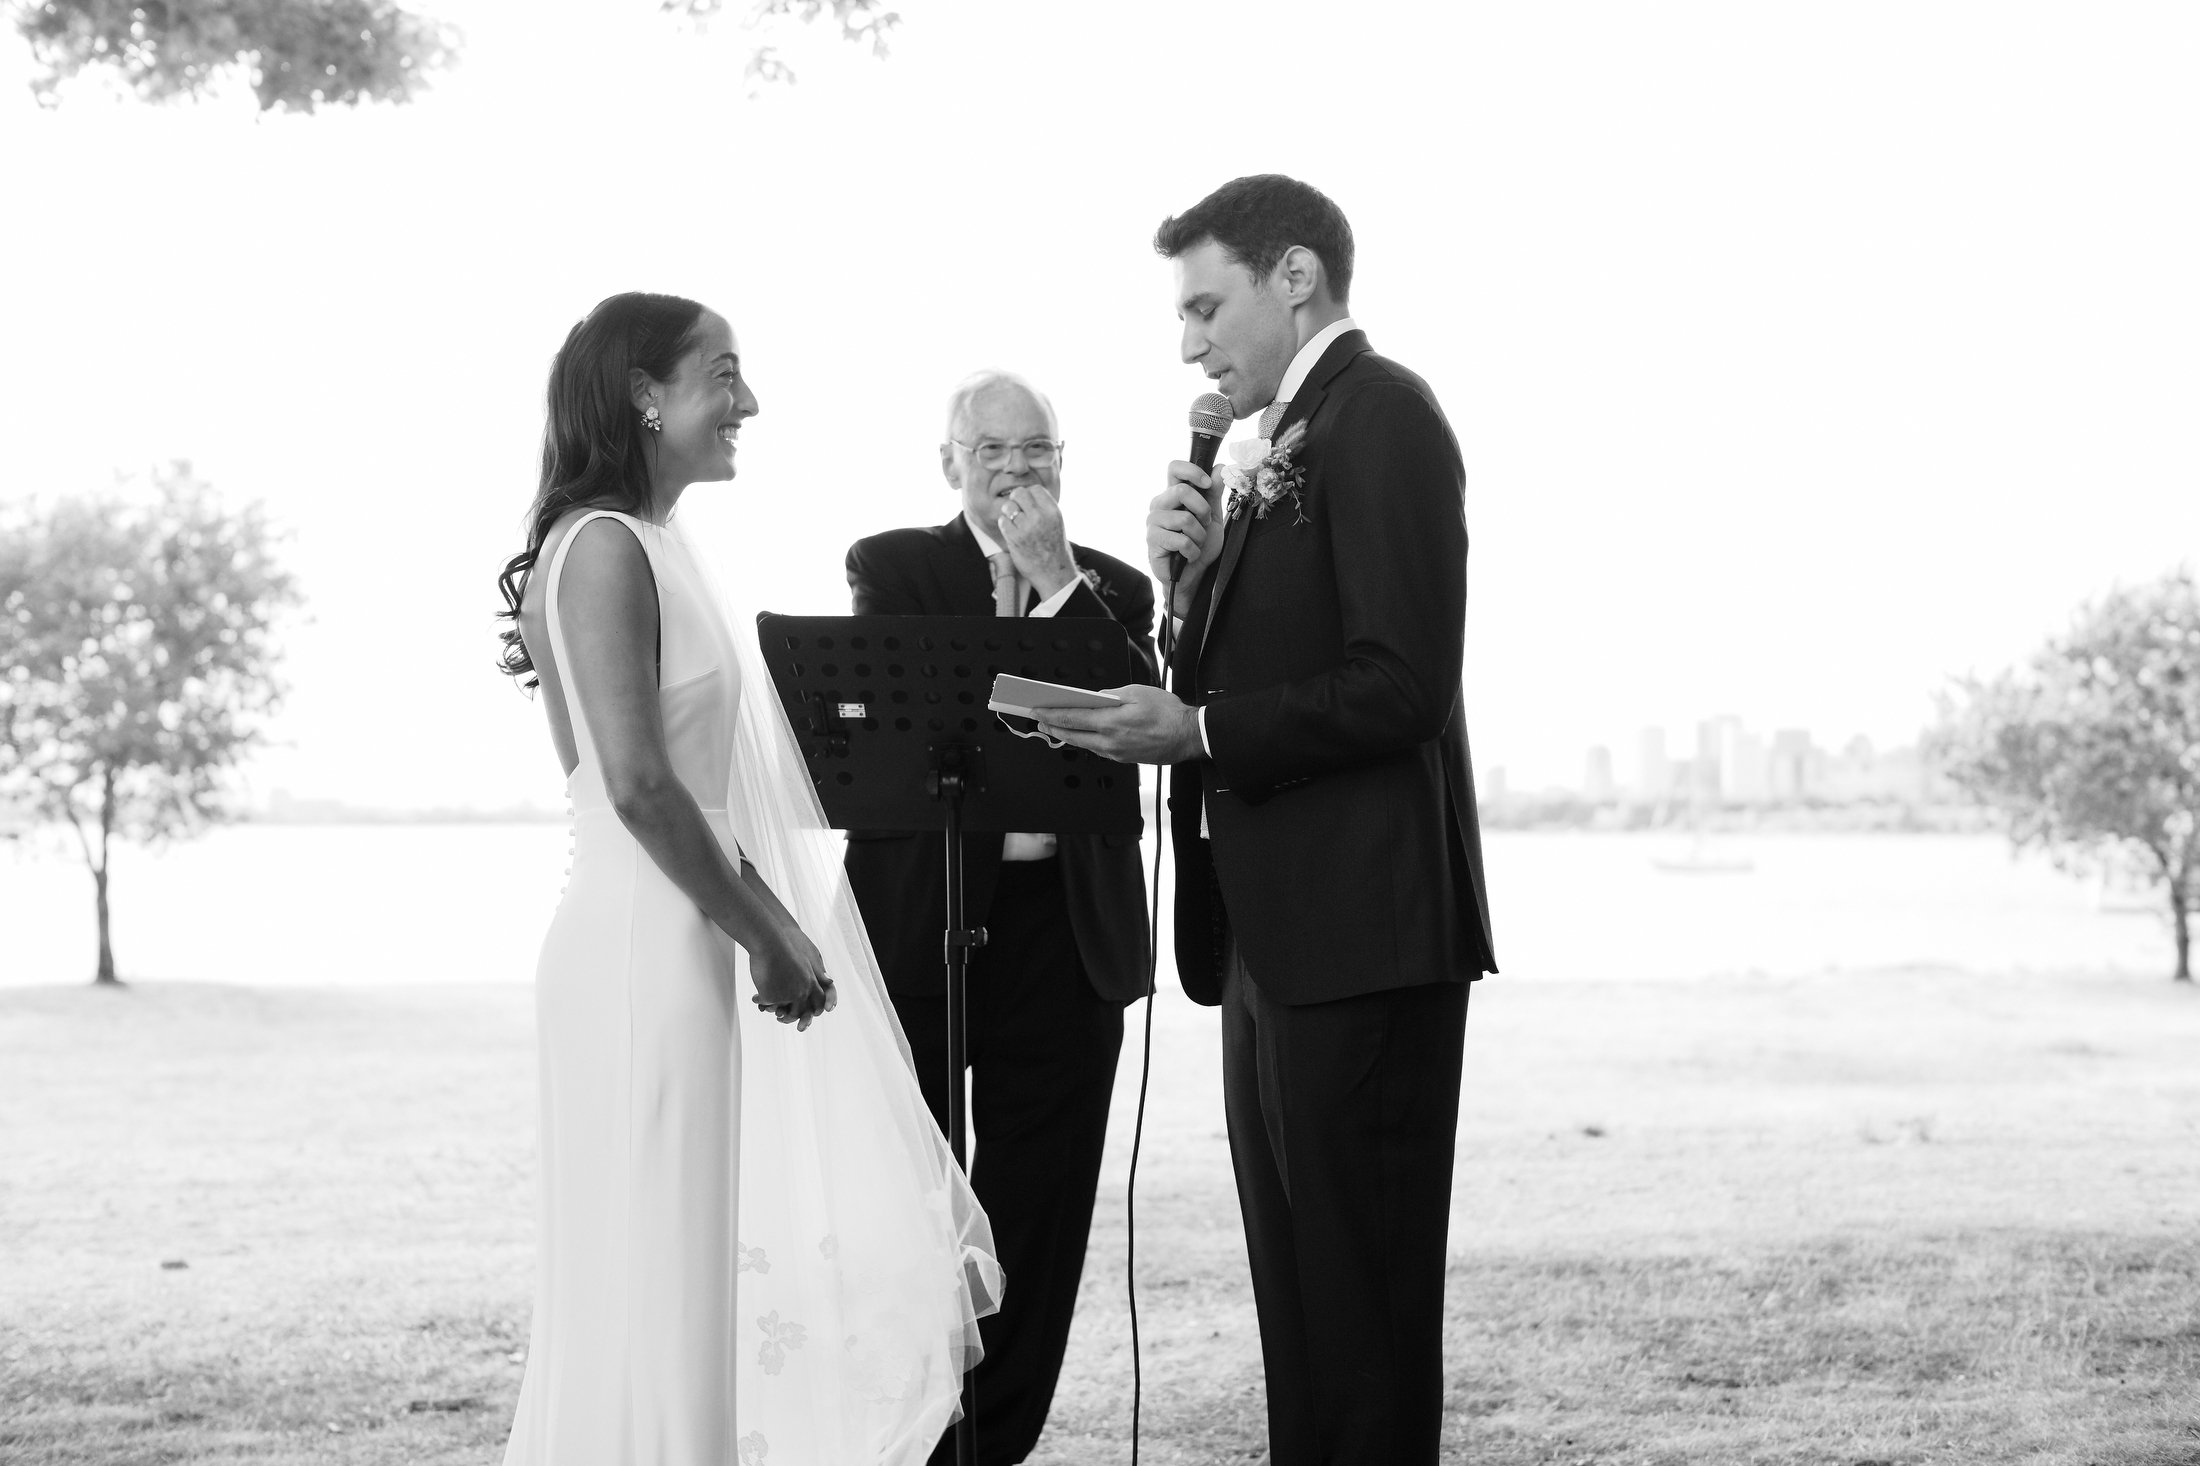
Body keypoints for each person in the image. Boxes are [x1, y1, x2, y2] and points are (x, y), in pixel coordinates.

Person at [1030, 176, 1498, 1465]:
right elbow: (1243, 670)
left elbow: (1403, 682)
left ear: (1294, 277)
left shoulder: (1382, 413)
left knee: (1363, 1308)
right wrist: (1178, 590)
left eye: (1203, 307)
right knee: (1300, 1307)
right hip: (1268, 937)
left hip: (1362, 934)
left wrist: (1199, 733)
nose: (1188, 345)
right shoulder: (1261, 449)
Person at [494, 292, 999, 1466]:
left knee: (677, 1273)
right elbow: (628, 783)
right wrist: (767, 931)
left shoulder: (656, 543)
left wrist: (759, 917)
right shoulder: (603, 546)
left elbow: (668, 785)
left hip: (673, 928)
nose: (748, 401)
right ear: (643, 393)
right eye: (722, 374)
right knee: (646, 1274)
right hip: (640, 947)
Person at [841, 369, 1156, 1466]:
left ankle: (992, 1445)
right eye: (993, 451)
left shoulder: (1115, 588)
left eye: (1038, 452)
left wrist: (1057, 582)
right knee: (908, 1198)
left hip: (1064, 930)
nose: (1018, 471)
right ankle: (907, 1427)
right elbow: (927, 720)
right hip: (919, 917)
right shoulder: (895, 567)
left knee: (1040, 1205)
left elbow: (1136, 716)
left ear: (1063, 464)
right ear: (951, 463)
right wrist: (1019, 634)